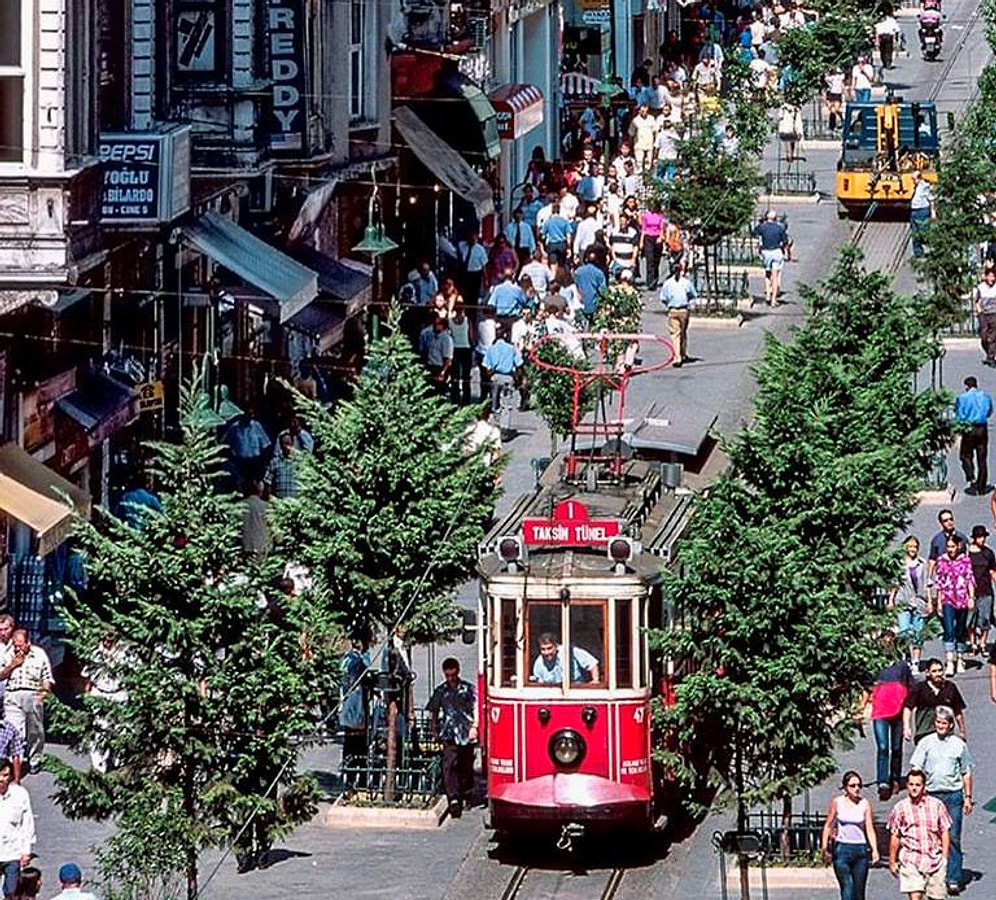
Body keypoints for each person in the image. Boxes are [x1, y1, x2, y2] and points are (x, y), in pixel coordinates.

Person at [909, 707, 974, 895]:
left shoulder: (958, 745)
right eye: (938, 722)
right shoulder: (926, 743)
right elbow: (916, 767)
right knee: (932, 835)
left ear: (951, 725)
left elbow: (966, 772)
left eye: (944, 723)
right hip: (931, 795)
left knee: (952, 835)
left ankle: (952, 877)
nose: (940, 726)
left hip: (953, 795)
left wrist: (968, 797)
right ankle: (933, 873)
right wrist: (916, 792)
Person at [887, 768, 951, 900]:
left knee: (937, 897)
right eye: (911, 784)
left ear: (924, 786)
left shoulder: (937, 805)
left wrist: (944, 856)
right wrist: (892, 861)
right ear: (907, 786)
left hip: (935, 859)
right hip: (911, 858)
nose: (914, 788)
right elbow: (895, 835)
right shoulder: (900, 808)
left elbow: (944, 831)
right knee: (915, 896)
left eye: (918, 785)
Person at [426, 657, 477, 819]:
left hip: (465, 732)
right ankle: (453, 798)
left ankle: (466, 794)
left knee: (465, 766)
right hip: (449, 733)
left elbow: (475, 708)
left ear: (458, 672)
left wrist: (475, 727)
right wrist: (434, 729)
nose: (451, 679)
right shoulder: (441, 691)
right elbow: (433, 710)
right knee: (449, 765)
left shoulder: (467, 689)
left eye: (453, 675)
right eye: (448, 675)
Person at [820, 770, 880, 900]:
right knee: (847, 888)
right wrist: (824, 848)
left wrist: (874, 849)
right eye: (852, 786)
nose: (856, 789)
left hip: (860, 849)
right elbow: (828, 825)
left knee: (859, 892)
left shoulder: (865, 804)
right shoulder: (837, 802)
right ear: (845, 788)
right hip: (842, 849)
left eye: (859, 785)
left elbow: (869, 827)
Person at [1, 631, 52, 773]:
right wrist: (12, 665)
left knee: (35, 731)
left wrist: (43, 694)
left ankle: (34, 759)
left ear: (28, 642)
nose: (17, 649)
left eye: (20, 645)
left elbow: (47, 677)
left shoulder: (39, 654)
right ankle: (13, 763)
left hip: (33, 694)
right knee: (12, 729)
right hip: (13, 695)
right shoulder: (8, 654)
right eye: (15, 645)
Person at [931, 536, 974, 674]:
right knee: (949, 630)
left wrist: (971, 597)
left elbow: (969, 579)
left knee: (960, 630)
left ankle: (960, 658)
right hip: (947, 598)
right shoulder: (942, 560)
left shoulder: (965, 560)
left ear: (958, 546)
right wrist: (938, 601)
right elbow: (939, 582)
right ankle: (950, 661)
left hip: (962, 598)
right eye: (948, 547)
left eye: (952, 546)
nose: (950, 549)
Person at [904, 657, 967, 745]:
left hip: (945, 733)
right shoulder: (920, 688)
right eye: (934, 671)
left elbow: (958, 711)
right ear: (927, 673)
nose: (938, 674)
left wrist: (962, 731)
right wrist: (907, 727)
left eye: (940, 670)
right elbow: (908, 708)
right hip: (924, 733)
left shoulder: (950, 687)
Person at [889, 536, 930, 665]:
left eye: (915, 547)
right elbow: (895, 583)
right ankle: (905, 656)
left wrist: (929, 601)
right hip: (903, 600)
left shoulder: (922, 564)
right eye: (910, 546)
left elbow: (927, 583)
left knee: (918, 633)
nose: (913, 549)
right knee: (904, 631)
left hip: (919, 601)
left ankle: (916, 661)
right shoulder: (900, 564)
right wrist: (891, 600)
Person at [954, 376, 992, 495]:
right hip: (982, 428)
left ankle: (971, 477)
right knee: (982, 458)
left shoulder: (962, 398)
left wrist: (959, 427)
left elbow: (960, 415)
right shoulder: (985, 396)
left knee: (965, 455)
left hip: (969, 428)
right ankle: (982, 486)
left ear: (966, 386)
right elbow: (990, 410)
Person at [0, 759, 33, 896]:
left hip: (12, 853)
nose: (1, 779)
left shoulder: (20, 794)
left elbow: (27, 823)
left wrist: (26, 851)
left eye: (5, 775)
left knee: (11, 892)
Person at [660, 262, 696, 368]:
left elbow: (663, 298)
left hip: (673, 310)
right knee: (683, 332)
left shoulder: (667, 283)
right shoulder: (686, 282)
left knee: (675, 334)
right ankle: (683, 353)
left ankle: (677, 357)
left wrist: (669, 304)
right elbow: (693, 294)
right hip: (684, 310)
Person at [966, 524, 995, 655]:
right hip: (971, 592)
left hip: (986, 590)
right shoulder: (968, 553)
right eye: (979, 537)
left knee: (985, 618)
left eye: (983, 537)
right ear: (974, 538)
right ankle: (973, 643)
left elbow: (992, 571)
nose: (982, 540)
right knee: (971, 619)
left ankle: (983, 643)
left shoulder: (988, 553)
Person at [223, 408, 271, 486]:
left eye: (252, 415)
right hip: (241, 463)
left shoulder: (257, 426)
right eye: (248, 414)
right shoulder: (234, 428)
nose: (250, 417)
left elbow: (266, 445)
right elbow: (225, 445)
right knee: (243, 485)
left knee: (255, 485)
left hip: (255, 462)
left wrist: (262, 463)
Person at [481, 326, 523, 414]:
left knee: (494, 402)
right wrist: (519, 379)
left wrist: (489, 377)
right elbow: (519, 365)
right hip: (508, 377)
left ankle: (496, 421)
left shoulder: (490, 349)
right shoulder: (512, 349)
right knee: (507, 404)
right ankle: (505, 423)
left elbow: (485, 366)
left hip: (495, 377)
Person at [531, 633, 600, 684]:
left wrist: (595, 680)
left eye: (549, 648)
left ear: (556, 646)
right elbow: (539, 683)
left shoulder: (570, 651)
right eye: (543, 649)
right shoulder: (539, 662)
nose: (546, 652)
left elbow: (592, 664)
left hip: (576, 688)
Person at [754, 210, 789, 306]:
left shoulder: (763, 227)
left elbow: (755, 231)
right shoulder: (779, 228)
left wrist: (761, 222)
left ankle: (768, 294)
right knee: (775, 276)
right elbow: (785, 241)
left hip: (766, 252)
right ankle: (774, 299)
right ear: (775, 218)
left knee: (767, 274)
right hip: (776, 252)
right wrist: (786, 253)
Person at [926, 510, 967, 581]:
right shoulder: (936, 540)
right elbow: (932, 559)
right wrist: (929, 578)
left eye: (951, 519)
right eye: (945, 520)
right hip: (943, 579)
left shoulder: (962, 538)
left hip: (960, 578)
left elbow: (968, 557)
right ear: (941, 523)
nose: (949, 522)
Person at [448, 302, 475, 406]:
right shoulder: (467, 321)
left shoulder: (450, 321)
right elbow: (471, 336)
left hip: (455, 349)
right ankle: (466, 400)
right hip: (465, 349)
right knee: (465, 376)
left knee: (455, 376)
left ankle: (455, 400)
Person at [263, 432, 299, 500]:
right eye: (284, 443)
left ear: (292, 444)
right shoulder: (274, 462)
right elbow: (268, 482)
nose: (286, 446)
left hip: (296, 502)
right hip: (279, 502)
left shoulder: (300, 461)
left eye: (288, 443)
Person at [972, 268, 996, 367]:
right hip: (984, 314)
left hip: (994, 313)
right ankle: (989, 353)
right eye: (990, 276)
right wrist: (980, 312)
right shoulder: (980, 288)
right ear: (986, 277)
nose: (992, 278)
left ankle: (991, 357)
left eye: (994, 276)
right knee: (984, 337)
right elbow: (976, 301)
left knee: (993, 337)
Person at [457, 232, 488, 304]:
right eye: (471, 237)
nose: (473, 239)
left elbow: (484, 265)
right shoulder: (462, 246)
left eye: (474, 237)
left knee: (474, 295)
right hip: (465, 273)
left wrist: (485, 279)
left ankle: (473, 312)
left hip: (476, 273)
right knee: (465, 294)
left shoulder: (480, 249)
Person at [909, 171, 935, 259]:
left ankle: (933, 250)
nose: (912, 181)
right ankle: (918, 253)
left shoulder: (925, 187)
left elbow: (931, 199)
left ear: (919, 178)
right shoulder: (915, 187)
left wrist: (933, 212)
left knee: (924, 232)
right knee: (915, 233)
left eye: (914, 179)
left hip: (922, 211)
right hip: (914, 212)